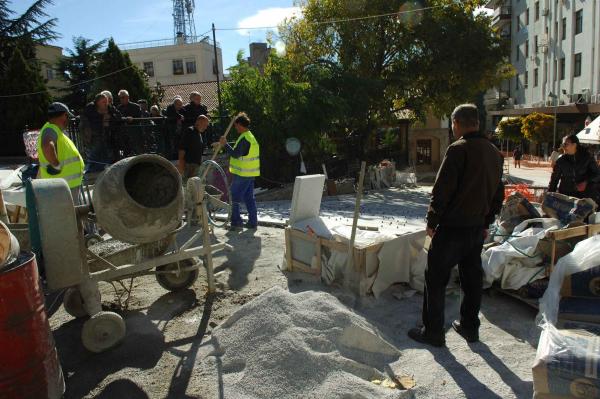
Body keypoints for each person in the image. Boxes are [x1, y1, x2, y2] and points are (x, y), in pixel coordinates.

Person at [408, 104, 504, 347]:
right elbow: (498, 194)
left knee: (436, 278)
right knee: (471, 278)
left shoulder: (458, 149)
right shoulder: (494, 152)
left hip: (452, 228)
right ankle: (470, 327)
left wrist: (432, 221)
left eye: (452, 124)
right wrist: (487, 220)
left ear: (457, 123)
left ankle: (433, 332)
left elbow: (442, 191)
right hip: (476, 228)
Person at [218, 112, 260, 230]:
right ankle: (252, 222)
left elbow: (236, 154)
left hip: (243, 174)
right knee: (249, 198)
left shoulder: (245, 138)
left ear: (240, 125)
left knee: (234, 197)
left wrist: (225, 145)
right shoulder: (249, 137)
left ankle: (236, 222)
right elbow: (240, 151)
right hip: (250, 173)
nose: (235, 128)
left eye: (236, 125)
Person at [37, 102, 85, 200]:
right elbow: (47, 146)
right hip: (63, 187)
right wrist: (56, 166)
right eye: (67, 117)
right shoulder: (51, 129)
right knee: (67, 214)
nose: (68, 121)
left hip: (64, 185)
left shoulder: (54, 130)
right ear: (64, 115)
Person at [548, 134, 600, 200]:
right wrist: (549, 196)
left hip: (584, 197)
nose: (563, 147)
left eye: (565, 144)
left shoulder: (587, 158)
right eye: (562, 145)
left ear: (574, 145)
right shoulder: (561, 161)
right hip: (566, 197)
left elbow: (597, 174)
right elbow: (554, 180)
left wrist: (586, 182)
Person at [178, 115, 209, 181]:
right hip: (189, 165)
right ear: (199, 122)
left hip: (196, 165)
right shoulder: (190, 131)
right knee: (188, 185)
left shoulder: (199, 134)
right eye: (205, 125)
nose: (206, 127)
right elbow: (182, 148)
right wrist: (181, 163)